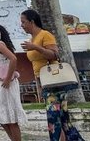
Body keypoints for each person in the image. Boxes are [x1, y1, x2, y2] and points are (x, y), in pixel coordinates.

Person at [20, 9, 80, 141]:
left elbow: (54, 54)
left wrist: (36, 47)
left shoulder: (45, 35)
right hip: (44, 81)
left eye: (23, 22)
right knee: (62, 118)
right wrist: (38, 84)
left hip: (54, 81)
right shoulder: (33, 39)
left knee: (54, 118)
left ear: (32, 21)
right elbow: (36, 64)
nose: (22, 25)